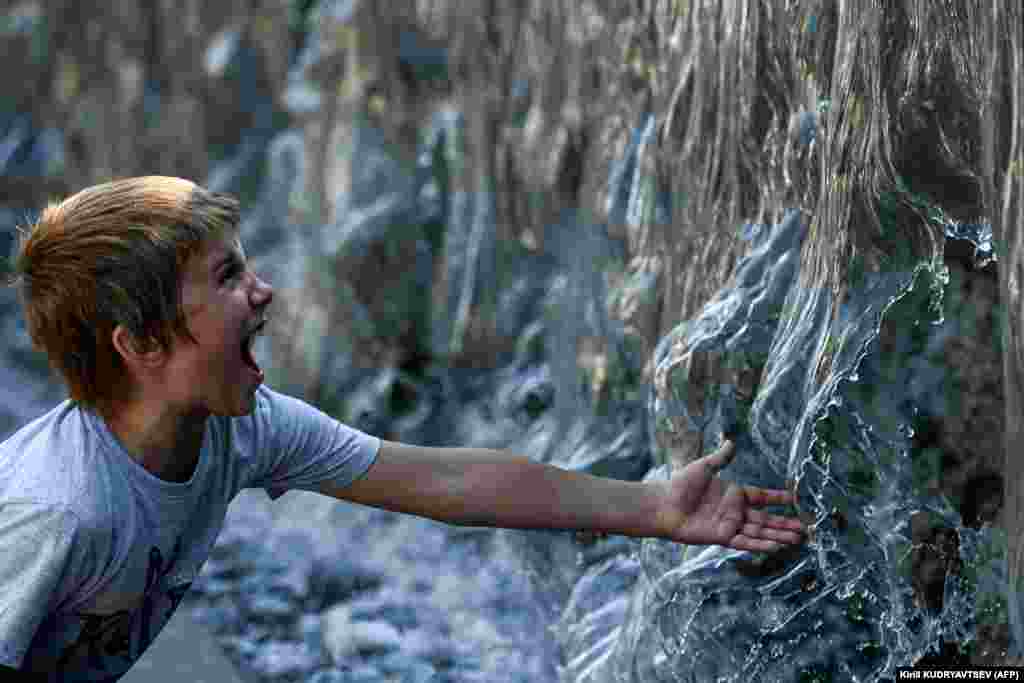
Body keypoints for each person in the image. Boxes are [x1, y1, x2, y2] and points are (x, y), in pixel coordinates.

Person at [0, 176, 806, 680]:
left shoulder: (239, 431)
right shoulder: (59, 511)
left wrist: (654, 507)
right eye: (228, 276)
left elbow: (446, 480)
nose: (265, 289)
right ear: (139, 345)